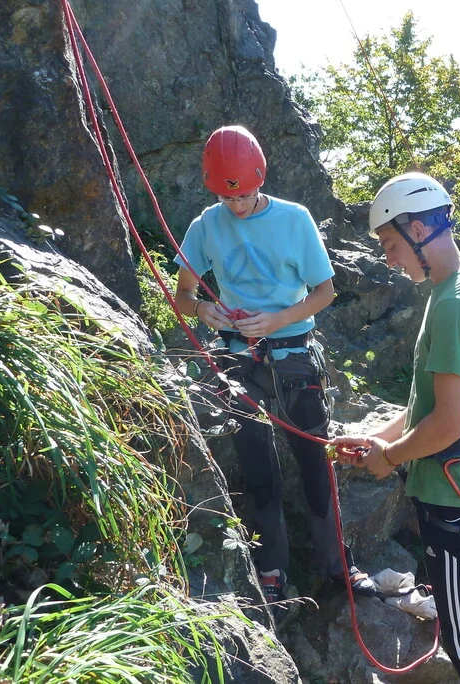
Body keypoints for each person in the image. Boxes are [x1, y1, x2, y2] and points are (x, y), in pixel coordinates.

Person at [175, 125, 373, 603]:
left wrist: (279, 318)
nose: (237, 205)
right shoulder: (206, 224)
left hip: (293, 354)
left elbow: (324, 291)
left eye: (244, 195)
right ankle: (272, 567)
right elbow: (181, 294)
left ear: (260, 178)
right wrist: (202, 309)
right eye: (227, 198)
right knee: (257, 465)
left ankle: (337, 564)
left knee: (315, 458)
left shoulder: (294, 219)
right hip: (236, 358)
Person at [331, 172, 460, 683]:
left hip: (453, 499)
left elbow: (449, 423)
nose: (389, 259)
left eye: (390, 245)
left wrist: (388, 459)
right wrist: (378, 439)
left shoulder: (454, 303)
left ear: (416, 229)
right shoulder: (455, 290)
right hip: (459, 484)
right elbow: (426, 406)